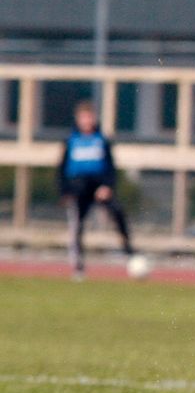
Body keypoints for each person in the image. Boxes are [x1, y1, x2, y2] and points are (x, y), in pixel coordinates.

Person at [57, 99, 137, 279]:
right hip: (78, 188)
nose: (86, 121)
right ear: (78, 119)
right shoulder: (71, 141)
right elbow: (61, 169)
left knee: (118, 213)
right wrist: (65, 192)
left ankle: (130, 254)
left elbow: (110, 167)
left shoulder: (101, 140)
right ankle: (78, 267)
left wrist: (108, 186)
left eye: (89, 117)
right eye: (83, 118)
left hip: (99, 186)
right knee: (77, 225)